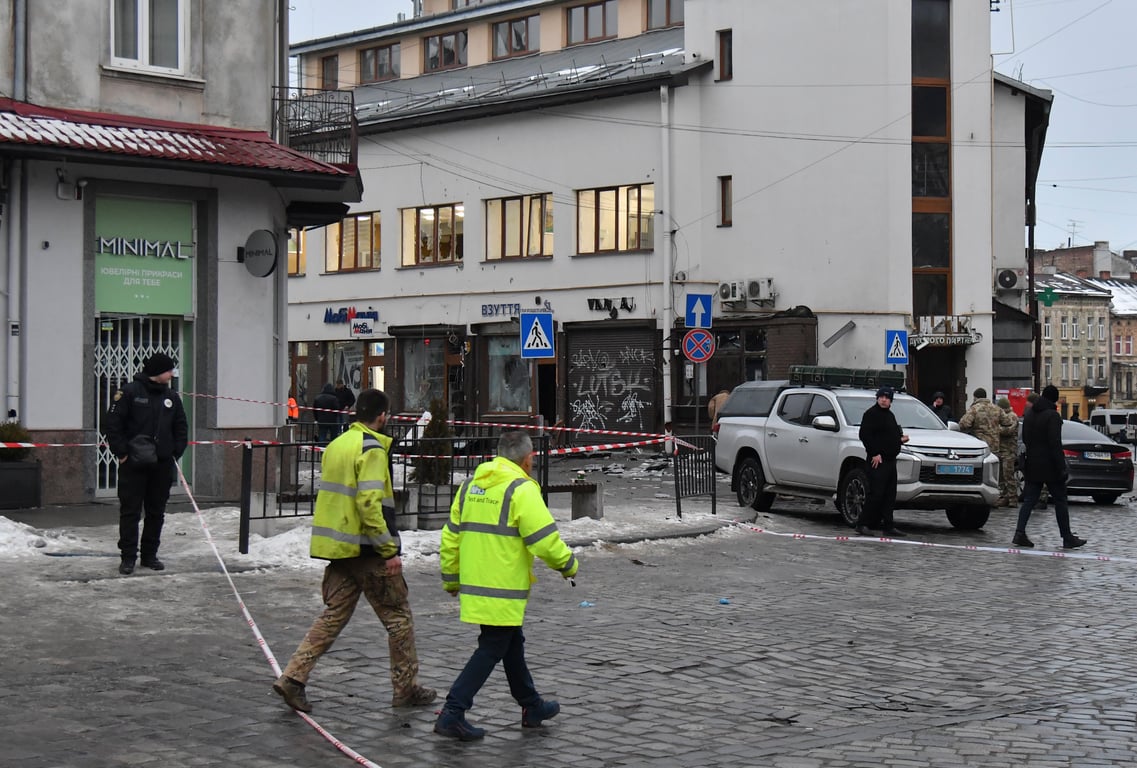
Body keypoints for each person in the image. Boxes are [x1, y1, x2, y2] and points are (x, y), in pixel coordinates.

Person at [273, 389, 436, 714]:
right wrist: (388, 549)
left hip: (341, 549)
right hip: (368, 550)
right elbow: (370, 505)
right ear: (382, 416)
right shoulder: (371, 448)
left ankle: (293, 677)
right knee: (399, 619)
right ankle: (405, 688)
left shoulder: (337, 445)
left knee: (333, 616)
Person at [434, 430, 579, 741]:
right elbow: (544, 540)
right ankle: (452, 711)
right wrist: (568, 565)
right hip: (503, 588)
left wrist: (451, 576)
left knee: (512, 643)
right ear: (528, 460)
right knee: (492, 647)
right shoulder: (521, 489)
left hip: (477, 585)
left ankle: (531, 705)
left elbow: (451, 536)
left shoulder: (470, 486)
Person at [103, 352, 188, 576]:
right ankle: (128, 557)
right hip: (134, 463)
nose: (172, 374)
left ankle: (149, 555)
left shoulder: (171, 396)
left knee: (156, 512)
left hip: (161, 464)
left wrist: (175, 452)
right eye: (168, 370)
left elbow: (181, 426)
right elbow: (113, 424)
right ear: (157, 371)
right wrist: (122, 453)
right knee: (130, 512)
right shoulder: (129, 392)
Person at [1013, 385, 1087, 550]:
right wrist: (1062, 467)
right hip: (1050, 465)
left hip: (1033, 463)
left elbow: (1025, 438)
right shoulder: (1052, 416)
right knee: (1060, 500)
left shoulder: (1030, 414)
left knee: (1029, 500)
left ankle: (1019, 532)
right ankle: (1067, 537)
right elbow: (1055, 443)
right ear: (1054, 399)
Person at [855, 386, 909, 537]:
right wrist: (874, 453)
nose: (884, 400)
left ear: (891, 401)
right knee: (876, 493)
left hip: (891, 460)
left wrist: (900, 440)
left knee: (889, 495)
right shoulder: (871, 414)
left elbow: (889, 436)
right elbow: (865, 435)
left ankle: (888, 525)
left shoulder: (890, 415)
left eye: (887, 398)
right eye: (881, 397)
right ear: (877, 398)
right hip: (878, 460)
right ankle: (862, 523)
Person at [958, 388, 1019, 506]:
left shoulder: (974, 409)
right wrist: (995, 428)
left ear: (975, 397)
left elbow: (963, 424)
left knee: (980, 472)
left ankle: (981, 496)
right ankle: (995, 497)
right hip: (995, 446)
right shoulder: (996, 409)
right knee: (994, 474)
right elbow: (1007, 422)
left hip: (980, 446)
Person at [995, 397, 1020, 507]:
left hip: (1009, 450)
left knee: (1008, 474)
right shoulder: (1001, 416)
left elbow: (1008, 431)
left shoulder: (1012, 416)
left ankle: (1013, 498)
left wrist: (995, 428)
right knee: (1001, 476)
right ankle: (1004, 496)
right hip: (1001, 449)